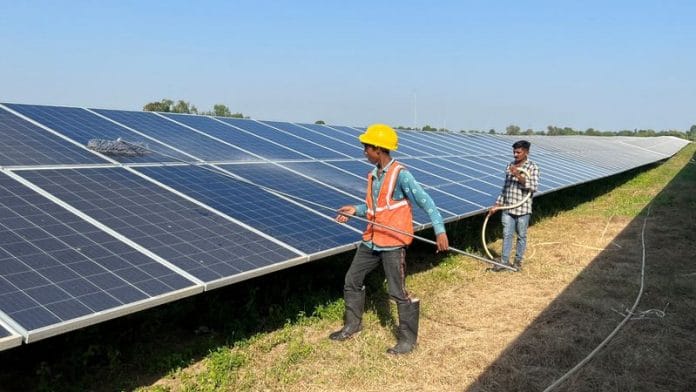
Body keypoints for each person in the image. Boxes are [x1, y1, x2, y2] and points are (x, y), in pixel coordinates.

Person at [330, 123, 449, 355]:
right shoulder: (374, 176)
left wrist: (440, 230)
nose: (364, 151)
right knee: (351, 279)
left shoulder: (401, 175)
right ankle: (352, 325)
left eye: (366, 147)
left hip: (393, 243)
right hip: (371, 240)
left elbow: (427, 202)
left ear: (378, 149)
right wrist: (356, 209)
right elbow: (377, 208)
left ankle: (407, 341)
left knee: (397, 291)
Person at [488, 140, 540, 271]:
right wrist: (497, 204)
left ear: (526, 152)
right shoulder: (510, 165)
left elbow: (533, 187)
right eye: (514, 152)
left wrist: (517, 175)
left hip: (523, 209)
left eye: (518, 152)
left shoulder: (532, 167)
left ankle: (517, 262)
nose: (515, 155)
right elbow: (505, 188)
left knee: (521, 236)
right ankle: (504, 262)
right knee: (507, 234)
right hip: (508, 208)